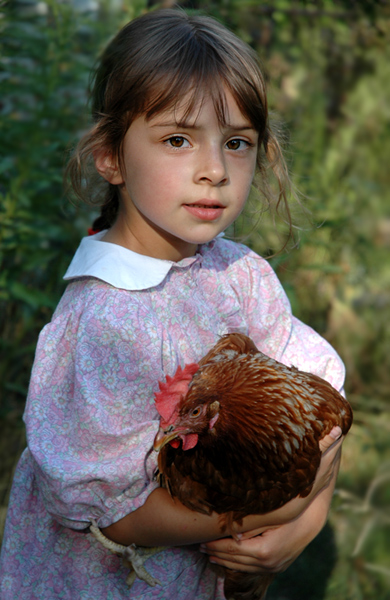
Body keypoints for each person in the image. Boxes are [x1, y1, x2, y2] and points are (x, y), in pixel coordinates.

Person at [0, 9, 346, 600]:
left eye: (236, 143)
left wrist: (305, 525)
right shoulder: (100, 322)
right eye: (178, 140)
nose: (213, 170)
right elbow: (114, 516)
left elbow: (326, 416)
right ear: (111, 157)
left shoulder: (241, 275)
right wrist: (278, 509)